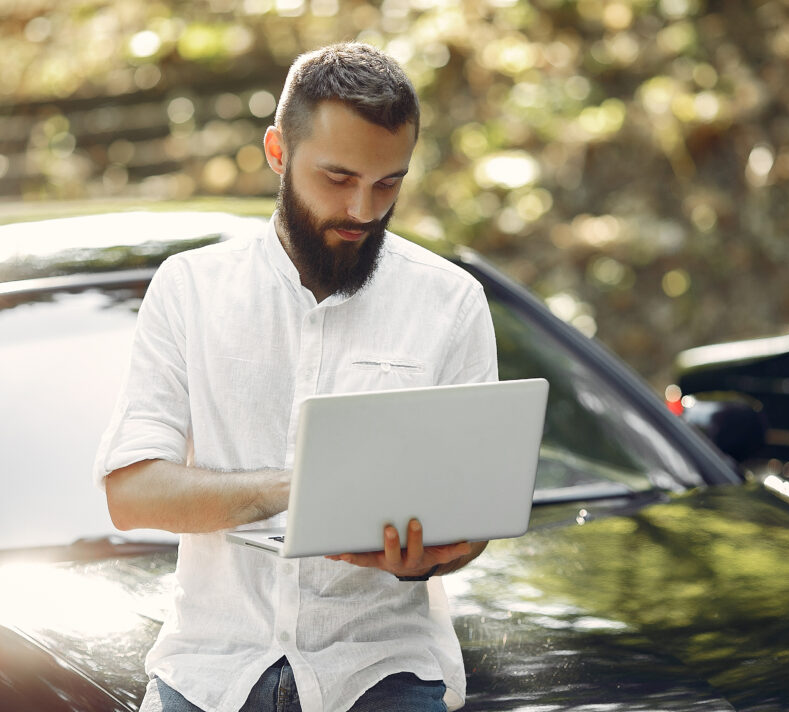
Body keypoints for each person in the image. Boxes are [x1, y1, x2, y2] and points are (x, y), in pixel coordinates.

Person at [94, 42, 498, 712]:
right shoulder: (191, 290)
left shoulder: (450, 302)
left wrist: (431, 556)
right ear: (278, 152)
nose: (363, 210)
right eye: (338, 179)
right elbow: (133, 492)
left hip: (383, 670)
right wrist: (303, 488)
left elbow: (474, 518)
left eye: (388, 183)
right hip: (210, 671)